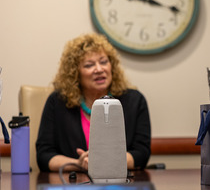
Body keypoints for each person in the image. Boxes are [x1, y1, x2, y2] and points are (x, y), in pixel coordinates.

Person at [36, 33, 151, 172]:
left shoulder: (135, 101)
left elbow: (141, 154)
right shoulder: (57, 102)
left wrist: (104, 162)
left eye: (103, 62)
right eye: (89, 65)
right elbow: (44, 155)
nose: (99, 69)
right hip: (72, 187)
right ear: (75, 73)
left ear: (112, 66)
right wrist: (79, 164)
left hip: (120, 187)